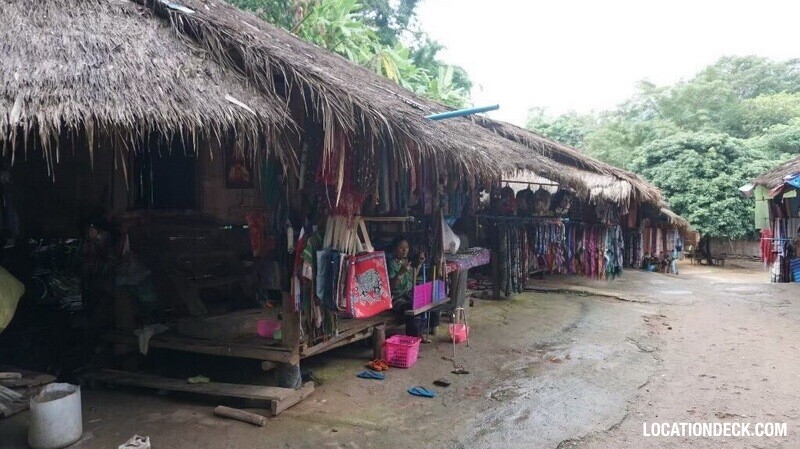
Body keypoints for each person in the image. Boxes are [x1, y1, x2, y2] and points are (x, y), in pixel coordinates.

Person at [387, 238, 438, 337]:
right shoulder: (392, 264)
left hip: (408, 293)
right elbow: (391, 286)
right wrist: (400, 273)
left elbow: (411, 278)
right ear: (394, 249)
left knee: (429, 299)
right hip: (397, 297)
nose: (405, 250)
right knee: (412, 308)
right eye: (401, 248)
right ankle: (413, 337)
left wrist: (419, 264)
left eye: (406, 247)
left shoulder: (407, 262)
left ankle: (424, 330)